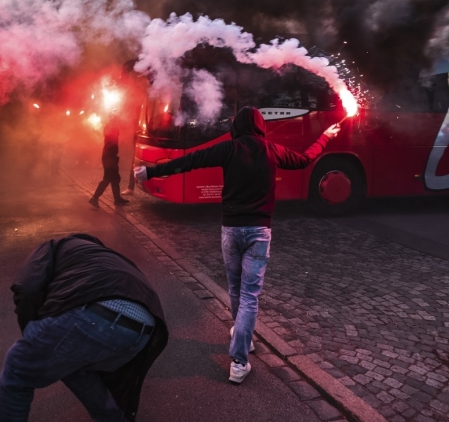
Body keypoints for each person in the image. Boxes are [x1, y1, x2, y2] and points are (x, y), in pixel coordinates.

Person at [135, 106, 340, 384]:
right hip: (258, 232)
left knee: (235, 288)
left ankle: (241, 338)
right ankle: (239, 360)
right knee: (250, 296)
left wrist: (150, 172)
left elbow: (189, 161)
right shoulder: (272, 150)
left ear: (236, 127)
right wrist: (326, 136)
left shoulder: (227, 149)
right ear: (259, 126)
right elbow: (305, 159)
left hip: (231, 231)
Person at [0, 233, 168, 422]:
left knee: (18, 368)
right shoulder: (105, 256)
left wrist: (33, 342)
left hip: (98, 313)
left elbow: (26, 289)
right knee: (74, 366)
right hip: (145, 329)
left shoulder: (51, 247)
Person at [89, 113, 129, 207]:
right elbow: (112, 142)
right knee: (108, 178)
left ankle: (117, 199)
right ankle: (95, 198)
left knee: (115, 178)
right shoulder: (111, 128)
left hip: (110, 156)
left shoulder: (111, 127)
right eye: (116, 119)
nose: (118, 120)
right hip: (109, 157)